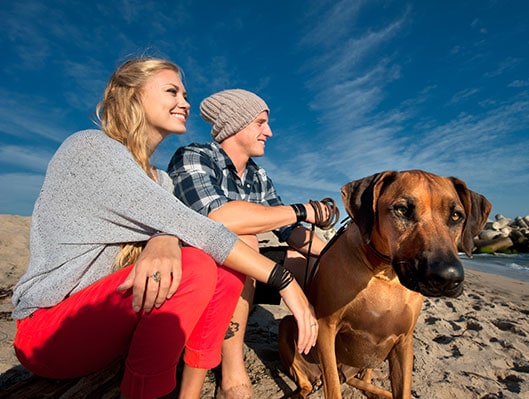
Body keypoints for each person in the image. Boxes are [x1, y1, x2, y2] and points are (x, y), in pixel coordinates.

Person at [11, 58, 318, 399]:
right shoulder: (89, 148)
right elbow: (198, 225)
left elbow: (171, 220)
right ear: (131, 96)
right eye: (172, 91)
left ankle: (189, 392)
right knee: (200, 263)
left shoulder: (162, 180)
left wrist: (165, 238)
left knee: (220, 265)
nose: (185, 102)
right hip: (51, 329)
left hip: (117, 318)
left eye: (184, 93)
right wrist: (286, 284)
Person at [168, 89, 337, 399]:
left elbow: (290, 229)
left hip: (243, 271)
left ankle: (327, 348)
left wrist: (335, 256)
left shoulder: (258, 176)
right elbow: (216, 217)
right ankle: (231, 370)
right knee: (243, 238)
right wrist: (304, 209)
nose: (269, 132)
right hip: (195, 274)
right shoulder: (194, 156)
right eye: (260, 123)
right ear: (236, 124)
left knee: (310, 263)